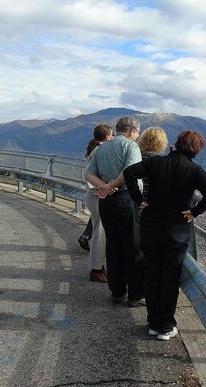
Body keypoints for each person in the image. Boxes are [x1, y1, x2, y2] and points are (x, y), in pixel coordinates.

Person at [121, 130, 206, 340]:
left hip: (150, 226)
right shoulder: (194, 170)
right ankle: (166, 325)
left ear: (176, 144)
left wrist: (139, 201)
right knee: (169, 277)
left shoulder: (156, 163)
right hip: (176, 229)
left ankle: (154, 322)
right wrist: (194, 212)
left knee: (152, 272)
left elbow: (129, 173)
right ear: (195, 150)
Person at [85, 116, 145, 306]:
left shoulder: (101, 147)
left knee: (113, 246)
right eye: (137, 132)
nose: (137, 135)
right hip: (126, 199)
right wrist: (113, 186)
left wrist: (104, 186)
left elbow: (88, 173)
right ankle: (135, 294)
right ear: (131, 130)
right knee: (133, 247)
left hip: (106, 202)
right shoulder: (131, 146)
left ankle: (117, 291)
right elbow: (131, 170)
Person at [82, 124, 113, 282]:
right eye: (112, 134)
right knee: (100, 233)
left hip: (93, 193)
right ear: (107, 136)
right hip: (97, 194)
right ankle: (96, 269)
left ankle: (98, 267)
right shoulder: (101, 150)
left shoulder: (92, 148)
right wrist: (107, 185)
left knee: (98, 231)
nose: (113, 137)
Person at [136, 126, 168, 202]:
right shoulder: (153, 158)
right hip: (148, 199)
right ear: (160, 142)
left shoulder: (137, 154)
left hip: (135, 197)